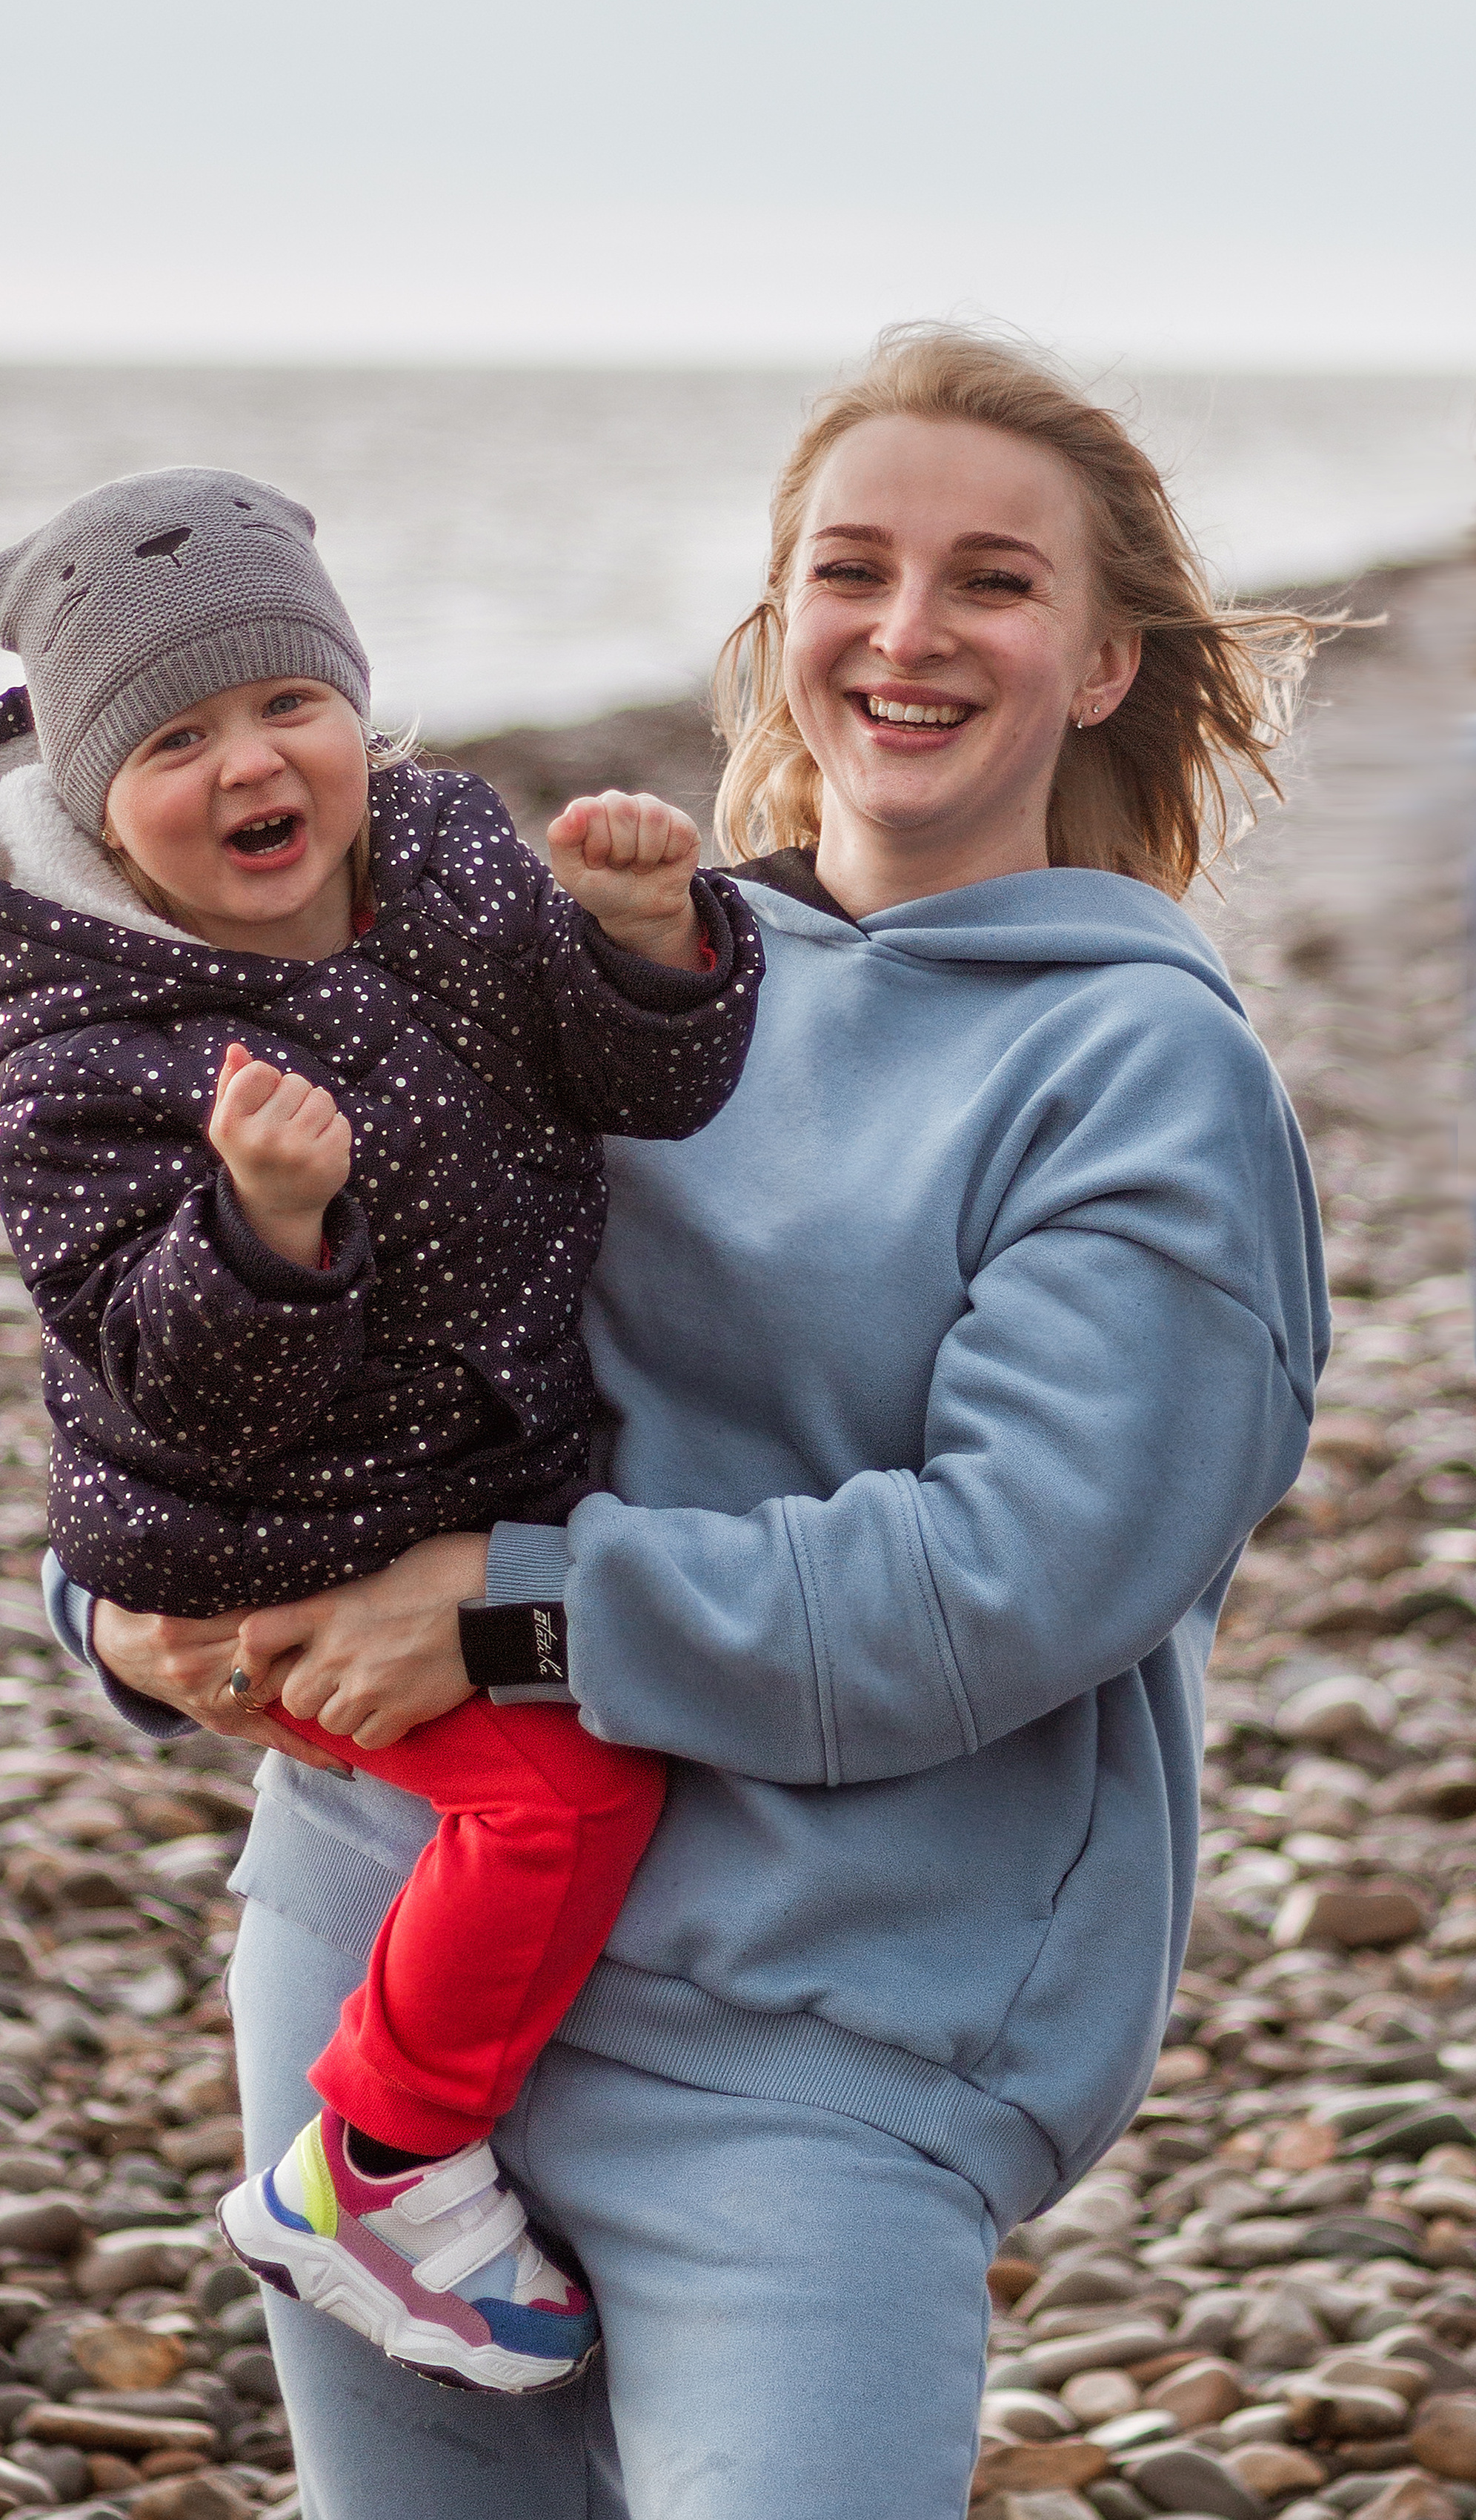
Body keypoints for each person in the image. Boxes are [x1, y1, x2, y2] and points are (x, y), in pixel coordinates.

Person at [76, 330, 1332, 2519]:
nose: (908, 630)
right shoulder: (580, 969)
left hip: (812, 2061)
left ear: (1107, 660)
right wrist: (112, 1605)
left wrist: (511, 1616)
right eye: (852, 568)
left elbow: (1011, 1575)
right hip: (378, 1961)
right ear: (780, 619)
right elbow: (210, 1331)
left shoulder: (1143, 1073)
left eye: (994, 581)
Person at [0, 465, 763, 2395]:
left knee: (590, 1761)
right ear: (98, 803)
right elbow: (160, 1375)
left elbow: (637, 1084)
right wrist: (265, 1226)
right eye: (175, 740)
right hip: (251, 1551)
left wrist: (646, 938)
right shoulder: (84, 1050)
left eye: (288, 702)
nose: (249, 761)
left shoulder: (450, 859)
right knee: (563, 1796)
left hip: (466, 1476)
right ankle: (375, 2163)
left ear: (354, 711)